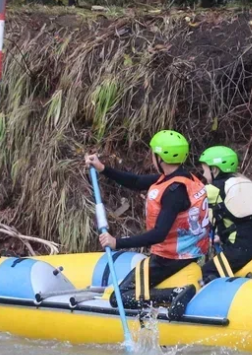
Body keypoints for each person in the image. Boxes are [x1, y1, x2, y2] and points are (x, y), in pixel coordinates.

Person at [85, 130, 210, 319]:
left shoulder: (174, 193)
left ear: (160, 158)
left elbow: (159, 234)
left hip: (169, 260)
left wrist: (116, 242)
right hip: (192, 253)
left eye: (153, 153)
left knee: (119, 297)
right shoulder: (187, 180)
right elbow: (136, 182)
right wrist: (103, 168)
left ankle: (173, 294)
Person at [197, 146, 252, 281]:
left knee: (205, 272)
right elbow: (241, 218)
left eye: (204, 170)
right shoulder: (244, 182)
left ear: (214, 169)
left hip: (240, 249)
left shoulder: (213, 189)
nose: (203, 175)